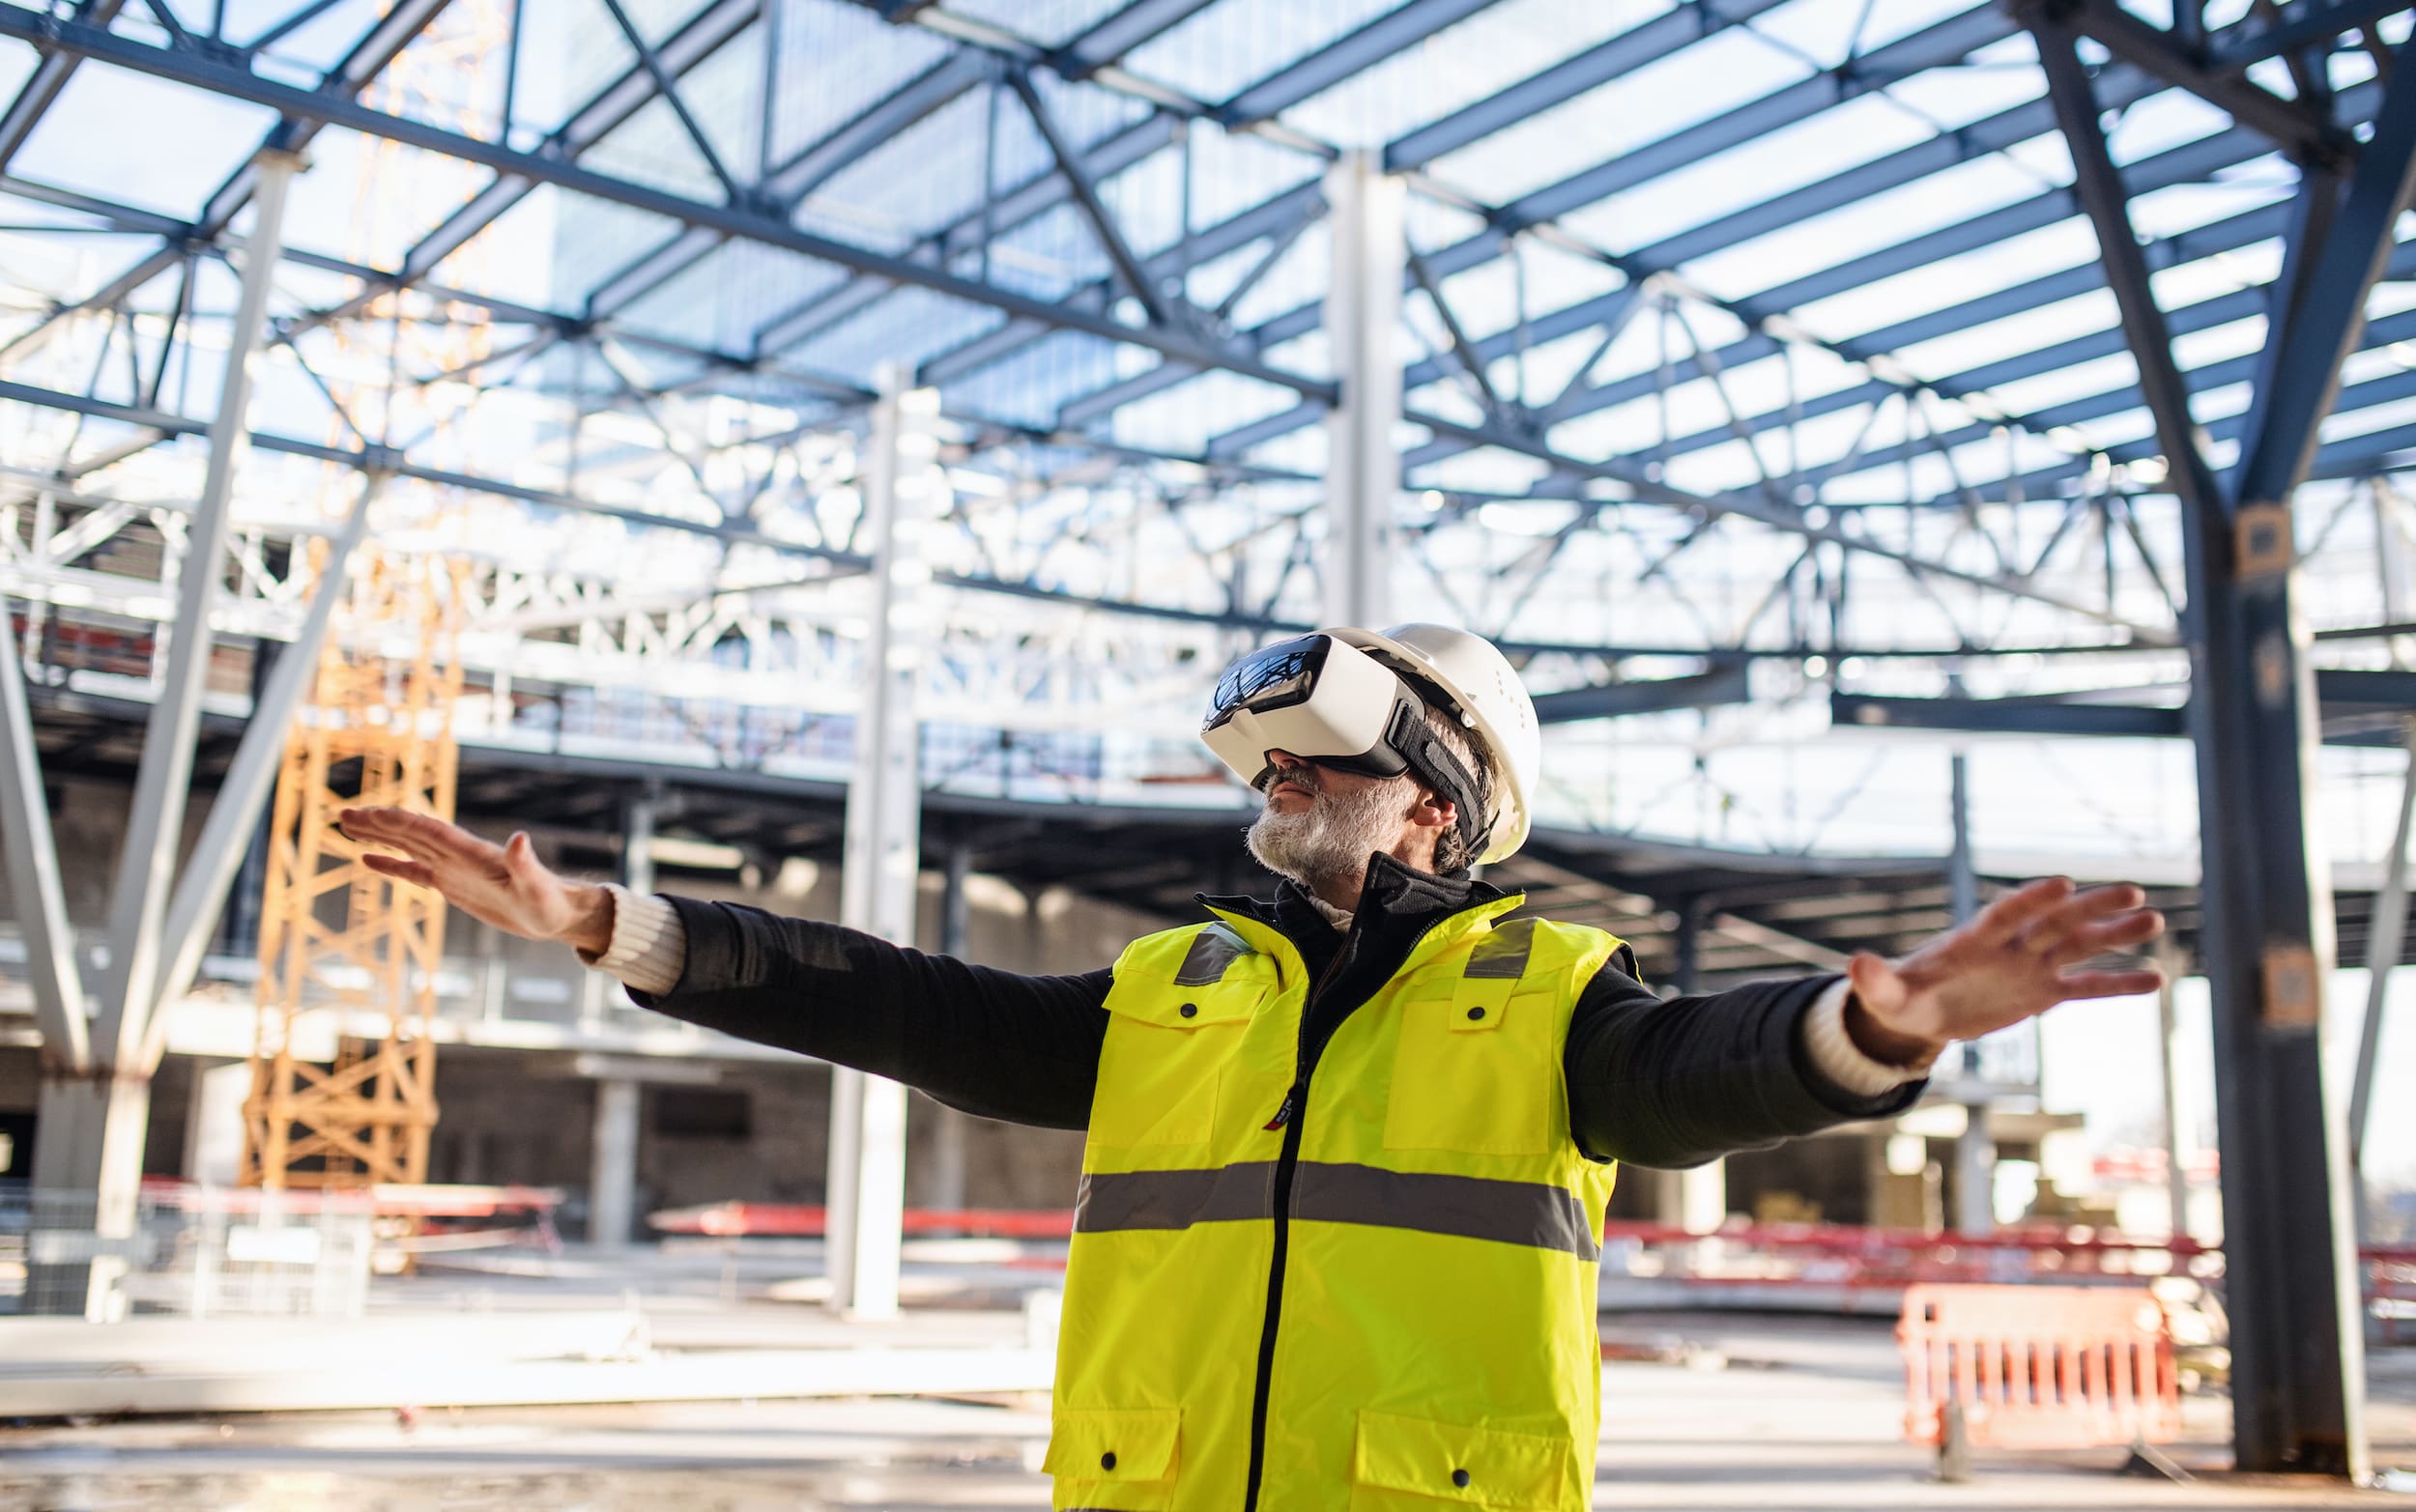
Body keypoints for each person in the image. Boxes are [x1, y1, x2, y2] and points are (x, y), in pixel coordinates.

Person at [342, 622, 2164, 1512]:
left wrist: (1887, 1023)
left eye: (1317, 765)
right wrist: (610, 924)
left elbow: (1703, 1072)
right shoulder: (1172, 982)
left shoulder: (1552, 988)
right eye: (1266, 767)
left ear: (1435, 802)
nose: (1274, 788)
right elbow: (900, 1000)